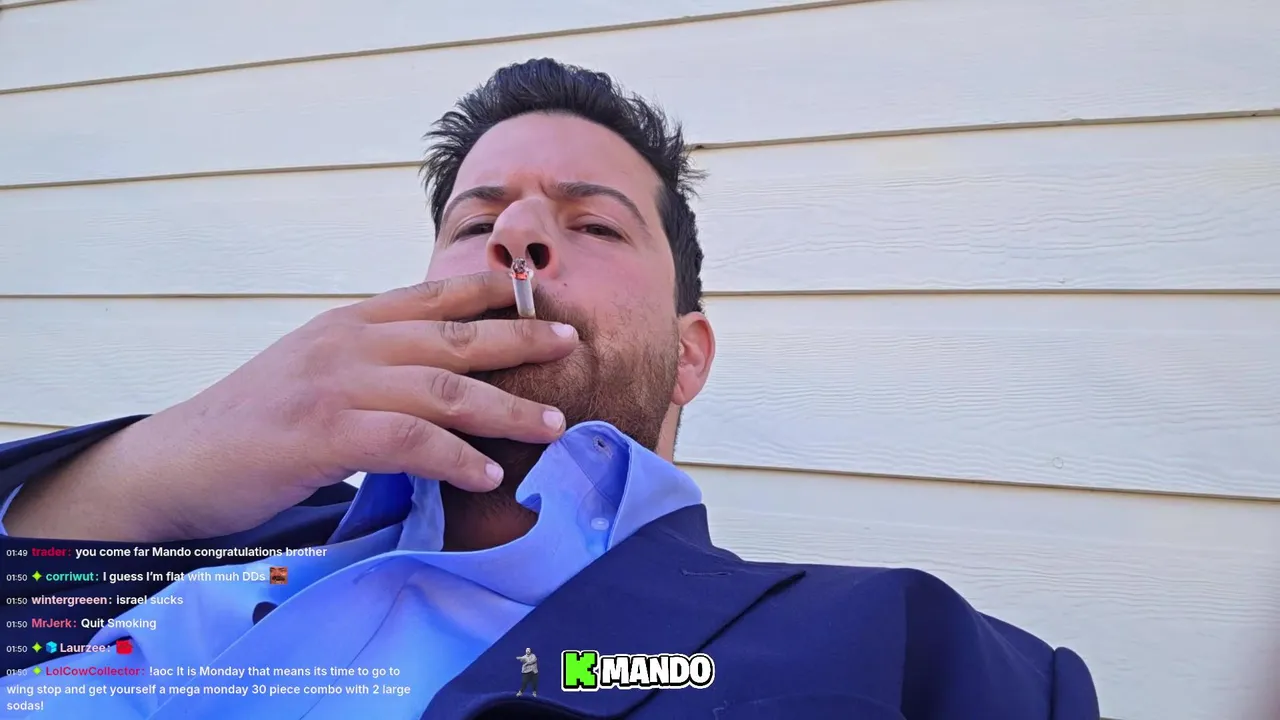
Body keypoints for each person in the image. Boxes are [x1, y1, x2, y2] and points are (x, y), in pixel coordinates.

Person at [0, 58, 1100, 719]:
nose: (516, 234)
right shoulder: (191, 549)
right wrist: (166, 458)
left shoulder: (908, 651)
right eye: (475, 221)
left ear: (689, 355)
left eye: (593, 225)